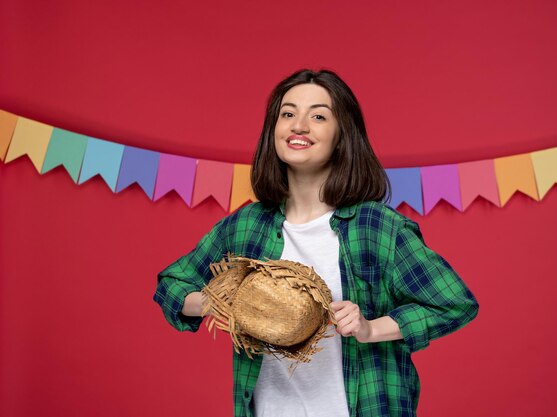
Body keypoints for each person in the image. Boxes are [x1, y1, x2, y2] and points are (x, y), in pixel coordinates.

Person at [153, 69, 479, 417]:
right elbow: (171, 286)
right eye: (288, 113)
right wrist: (226, 301)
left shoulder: (377, 227)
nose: (299, 126)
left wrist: (371, 328)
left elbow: (454, 304)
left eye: (318, 116)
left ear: (341, 136)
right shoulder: (246, 226)